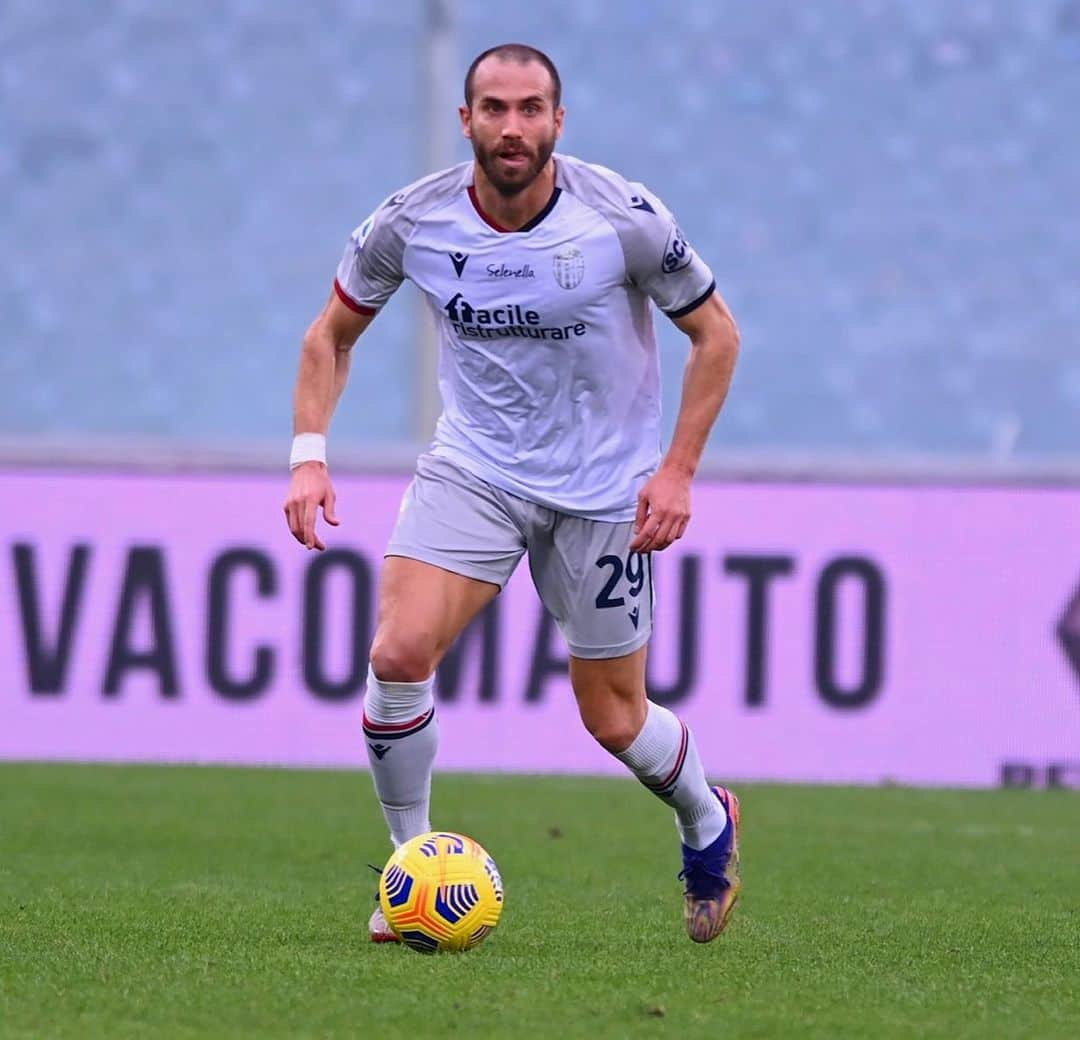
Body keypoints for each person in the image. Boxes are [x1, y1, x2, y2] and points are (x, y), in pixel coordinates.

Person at [284, 43, 742, 944]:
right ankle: (409, 865)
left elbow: (717, 337)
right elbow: (329, 337)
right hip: (477, 471)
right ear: (466, 122)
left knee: (613, 718)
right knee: (399, 652)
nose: (512, 127)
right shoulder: (412, 222)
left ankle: (706, 818)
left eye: (531, 109)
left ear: (558, 122)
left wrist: (677, 470)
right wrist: (308, 454)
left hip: (605, 492)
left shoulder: (623, 220)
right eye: (493, 108)